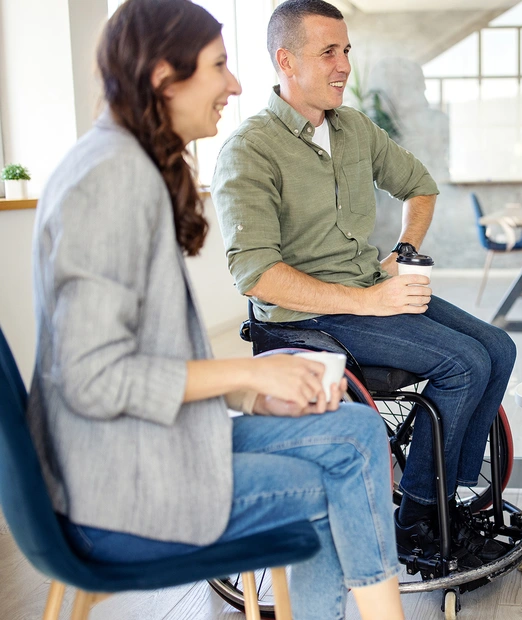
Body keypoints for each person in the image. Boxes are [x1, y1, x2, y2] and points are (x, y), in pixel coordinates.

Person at [26, 2, 404, 619]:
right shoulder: (110, 181)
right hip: (119, 487)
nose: (234, 84)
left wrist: (252, 396)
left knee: (357, 429)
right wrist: (250, 374)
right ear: (162, 79)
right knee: (346, 478)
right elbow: (92, 378)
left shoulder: (129, 165)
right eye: (219, 66)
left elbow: (139, 364)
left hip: (154, 444)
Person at [209, 0, 516, 567]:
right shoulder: (249, 150)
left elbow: (420, 187)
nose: (344, 65)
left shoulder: (352, 128)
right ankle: (419, 520)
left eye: (346, 51)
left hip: (367, 291)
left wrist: (401, 254)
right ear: (286, 61)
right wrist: (369, 300)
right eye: (328, 52)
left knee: (498, 347)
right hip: (306, 317)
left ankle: (447, 494)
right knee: (466, 363)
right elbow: (256, 274)